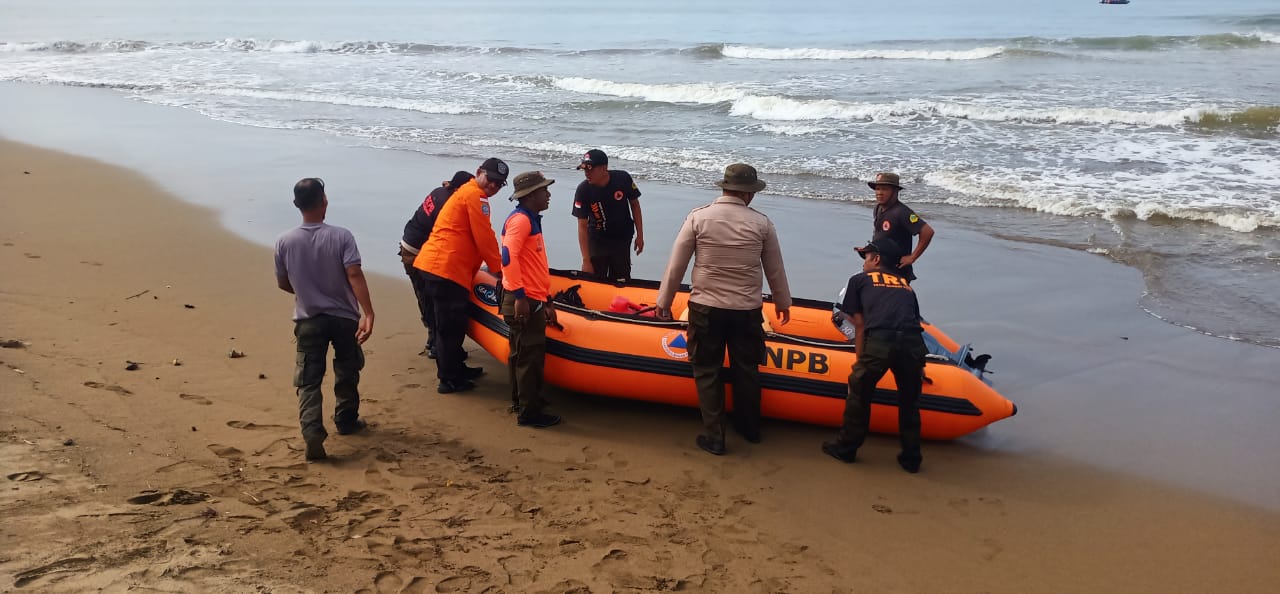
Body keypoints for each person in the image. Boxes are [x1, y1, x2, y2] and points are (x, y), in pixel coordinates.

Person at [655, 163, 792, 456]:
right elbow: (775, 269)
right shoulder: (762, 224)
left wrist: (664, 302)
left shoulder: (699, 217)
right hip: (746, 309)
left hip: (706, 307)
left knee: (707, 370)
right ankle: (750, 429)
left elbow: (676, 265)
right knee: (747, 369)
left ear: (724, 187)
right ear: (750, 194)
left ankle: (715, 436)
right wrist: (782, 302)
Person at [274, 178, 375, 461]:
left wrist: (307, 291)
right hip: (343, 317)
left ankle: (312, 432)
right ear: (324, 202)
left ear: (296, 205)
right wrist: (368, 312)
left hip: (308, 318)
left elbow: (283, 282)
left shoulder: (285, 241)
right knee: (347, 369)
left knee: (308, 380)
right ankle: (345, 419)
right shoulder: (342, 236)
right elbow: (354, 274)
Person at [822, 237, 928, 473]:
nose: (863, 263)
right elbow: (914, 322)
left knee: (859, 392)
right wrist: (919, 366)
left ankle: (846, 448)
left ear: (877, 259)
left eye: (866, 257)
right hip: (912, 343)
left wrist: (859, 363)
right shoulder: (905, 285)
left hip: (882, 340)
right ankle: (912, 458)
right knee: (910, 402)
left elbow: (859, 324)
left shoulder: (859, 280)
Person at [413, 158, 507, 394]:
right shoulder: (475, 196)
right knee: (449, 327)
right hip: (445, 269)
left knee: (450, 325)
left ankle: (455, 368)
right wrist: (499, 270)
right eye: (492, 180)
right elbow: (484, 236)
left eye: (500, 184)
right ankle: (449, 379)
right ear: (479, 173)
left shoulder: (467, 192)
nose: (494, 186)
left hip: (439, 266)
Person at [499, 171, 563, 428]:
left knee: (521, 354)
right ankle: (529, 412)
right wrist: (520, 297)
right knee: (529, 358)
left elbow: (535, 265)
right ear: (530, 196)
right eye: (544, 191)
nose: (548, 195)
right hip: (523, 298)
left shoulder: (531, 219)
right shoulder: (521, 221)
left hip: (534, 297)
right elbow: (508, 257)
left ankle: (524, 401)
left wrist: (547, 300)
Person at [400, 170, 475, 359]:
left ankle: (433, 340)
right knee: (432, 300)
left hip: (409, 245)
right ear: (459, 188)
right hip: (418, 253)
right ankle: (436, 344)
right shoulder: (450, 203)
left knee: (425, 297)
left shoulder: (439, 192)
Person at [572, 149, 644, 280]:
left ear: (604, 168)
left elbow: (635, 205)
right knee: (595, 278)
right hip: (597, 240)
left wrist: (640, 235)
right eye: (584, 170)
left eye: (590, 169)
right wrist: (586, 261)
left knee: (621, 278)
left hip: (622, 238)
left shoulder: (623, 178)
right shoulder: (583, 190)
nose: (587, 174)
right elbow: (582, 226)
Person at [868, 172, 934, 281]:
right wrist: (868, 250)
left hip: (897, 271)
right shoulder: (878, 208)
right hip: (879, 266)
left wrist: (912, 257)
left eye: (884, 189)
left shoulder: (903, 213)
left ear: (895, 191)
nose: (879, 193)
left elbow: (927, 231)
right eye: (877, 189)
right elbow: (880, 236)